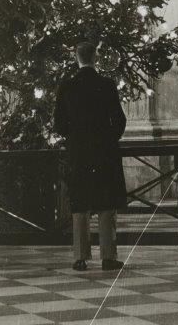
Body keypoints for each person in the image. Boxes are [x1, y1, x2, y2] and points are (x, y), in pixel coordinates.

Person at [54, 41, 127, 271]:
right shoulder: (106, 85)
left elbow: (59, 124)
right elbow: (120, 120)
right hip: (104, 151)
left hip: (78, 152)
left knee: (80, 204)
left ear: (77, 58)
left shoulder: (67, 86)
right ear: (95, 57)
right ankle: (108, 255)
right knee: (107, 204)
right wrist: (109, 138)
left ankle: (80, 257)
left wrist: (74, 137)